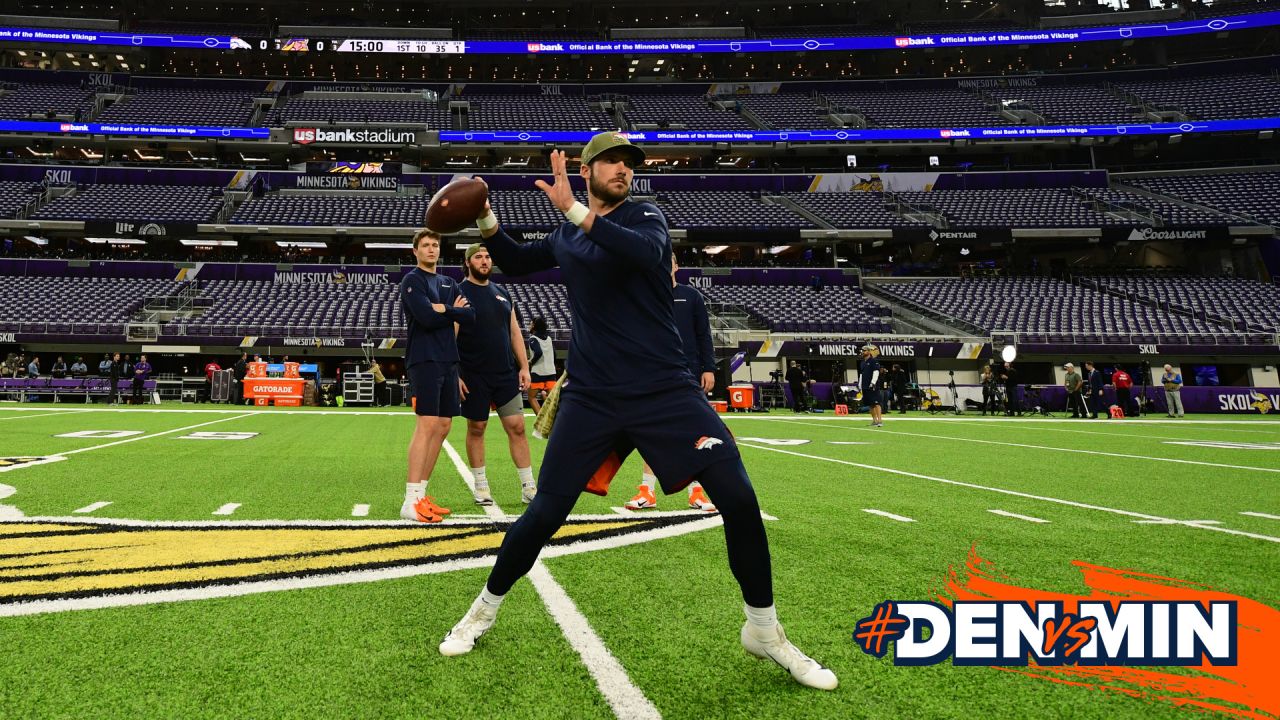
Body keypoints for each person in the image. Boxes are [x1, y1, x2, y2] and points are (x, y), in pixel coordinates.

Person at [440, 134, 837, 691]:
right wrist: (483, 214)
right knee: (546, 511)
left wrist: (573, 210)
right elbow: (513, 259)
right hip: (594, 393)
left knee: (740, 499)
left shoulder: (646, 215)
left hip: (663, 390)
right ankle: (482, 610)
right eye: (611, 161)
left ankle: (765, 632)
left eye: (629, 163)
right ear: (586, 170)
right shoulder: (567, 232)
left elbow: (644, 253)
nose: (623, 169)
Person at [624, 255, 718, 512]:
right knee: (650, 434)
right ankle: (647, 491)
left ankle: (697, 493)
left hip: (689, 373)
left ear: (676, 266)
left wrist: (709, 368)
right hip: (653, 374)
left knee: (696, 434)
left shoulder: (692, 297)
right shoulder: (646, 296)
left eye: (670, 261)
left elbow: (703, 335)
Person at [399, 228, 474, 524]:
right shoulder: (412, 280)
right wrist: (450, 310)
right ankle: (409, 500)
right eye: (426, 245)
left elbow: (471, 315)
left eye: (435, 245)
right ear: (415, 250)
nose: (431, 249)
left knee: (443, 426)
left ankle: (422, 495)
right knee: (427, 424)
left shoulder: (448, 282)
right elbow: (426, 318)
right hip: (424, 358)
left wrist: (443, 309)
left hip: (448, 360)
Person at [456, 242, 536, 506]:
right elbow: (450, 334)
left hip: (505, 374)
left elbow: (514, 332)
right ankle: (481, 486)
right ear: (468, 263)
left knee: (517, 427)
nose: (484, 260)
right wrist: (454, 373)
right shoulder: (458, 292)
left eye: (488, 256)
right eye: (478, 256)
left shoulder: (503, 292)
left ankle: (529, 486)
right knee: (477, 427)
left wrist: (524, 367)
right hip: (473, 374)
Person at [526, 317, 556, 414]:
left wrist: (531, 362)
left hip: (538, 373)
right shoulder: (549, 338)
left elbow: (538, 352)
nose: (529, 326)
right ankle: (553, 421)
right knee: (552, 400)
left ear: (534, 325)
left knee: (531, 397)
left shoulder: (533, 339)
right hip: (551, 372)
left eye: (530, 323)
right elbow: (554, 355)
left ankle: (540, 421)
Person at [860, 344, 883, 427]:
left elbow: (876, 372)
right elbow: (862, 375)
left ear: (869, 351)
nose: (863, 352)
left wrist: (873, 383)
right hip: (865, 386)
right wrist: (860, 385)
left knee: (876, 403)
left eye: (864, 350)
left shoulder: (873, 361)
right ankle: (874, 420)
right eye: (862, 350)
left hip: (872, 385)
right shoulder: (862, 363)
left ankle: (880, 420)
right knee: (870, 404)